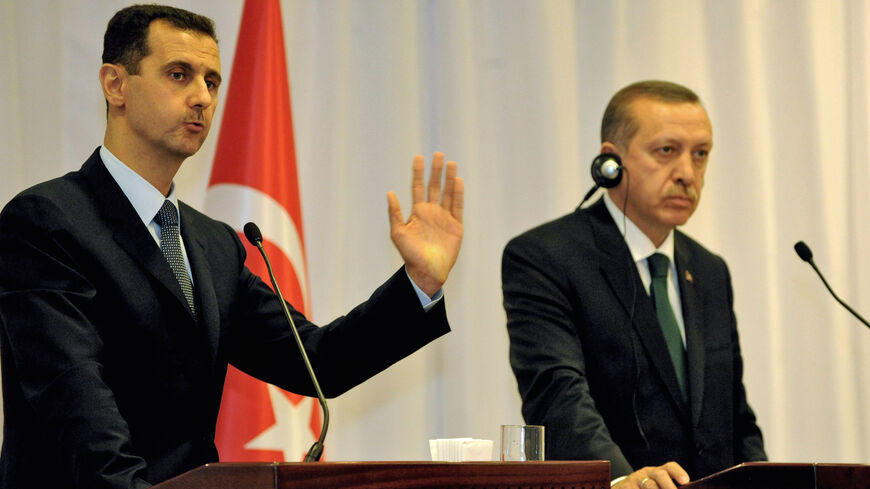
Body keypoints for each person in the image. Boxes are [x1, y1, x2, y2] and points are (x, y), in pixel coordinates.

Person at [0, 5, 464, 489]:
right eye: (179, 75)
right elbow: (76, 414)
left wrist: (420, 283)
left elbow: (316, 361)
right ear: (115, 84)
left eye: (212, 81)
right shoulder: (46, 222)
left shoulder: (214, 244)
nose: (201, 97)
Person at [502, 80, 766, 488]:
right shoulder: (545, 257)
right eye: (666, 151)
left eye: (700, 154)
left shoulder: (710, 270)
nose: (686, 173)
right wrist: (624, 481)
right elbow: (557, 395)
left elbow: (735, 417)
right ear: (611, 162)